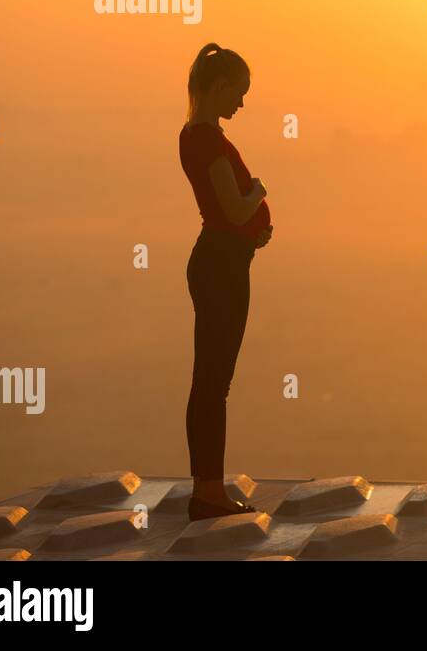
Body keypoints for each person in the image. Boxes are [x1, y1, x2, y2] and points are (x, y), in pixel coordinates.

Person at [178, 43, 273, 520]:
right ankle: (209, 493)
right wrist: (259, 192)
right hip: (221, 268)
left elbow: (224, 214)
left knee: (211, 380)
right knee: (214, 382)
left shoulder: (195, 134)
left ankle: (207, 488)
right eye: (239, 93)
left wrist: (254, 234)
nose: (241, 103)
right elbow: (233, 207)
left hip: (222, 259)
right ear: (218, 88)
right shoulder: (208, 141)